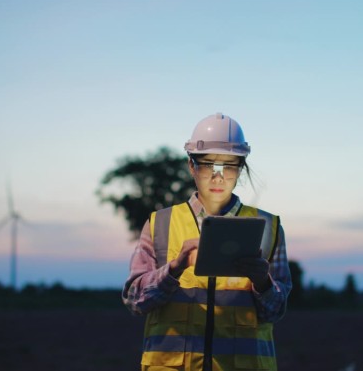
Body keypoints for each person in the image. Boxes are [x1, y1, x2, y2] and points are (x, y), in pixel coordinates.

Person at [123, 113, 292, 371]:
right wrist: (174, 269)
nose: (218, 176)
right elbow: (134, 301)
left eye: (229, 165)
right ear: (191, 165)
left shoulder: (269, 227)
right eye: (208, 164)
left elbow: (276, 311)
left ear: (241, 167)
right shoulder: (160, 223)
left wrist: (263, 282)